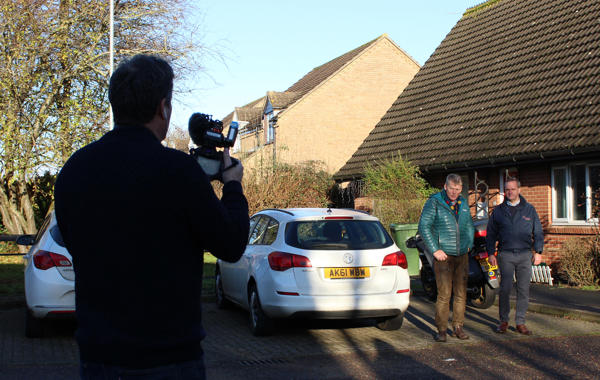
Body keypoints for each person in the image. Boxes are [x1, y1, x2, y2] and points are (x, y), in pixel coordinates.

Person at [54, 54, 249, 379]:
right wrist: (232, 187)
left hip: (98, 359)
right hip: (170, 359)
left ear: (116, 104)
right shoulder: (180, 172)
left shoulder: (74, 171)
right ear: (162, 107)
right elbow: (230, 245)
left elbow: (77, 244)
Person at [418, 174, 474, 342]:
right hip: (443, 256)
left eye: (458, 189)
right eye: (451, 189)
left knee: (461, 293)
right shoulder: (434, 202)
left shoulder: (463, 203)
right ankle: (441, 330)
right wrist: (435, 250)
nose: (454, 192)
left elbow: (469, 225)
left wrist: (469, 243)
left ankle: (458, 327)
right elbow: (424, 226)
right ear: (445, 186)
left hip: (462, 254)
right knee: (444, 294)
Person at [486, 177, 543, 335]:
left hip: (525, 254)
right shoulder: (498, 211)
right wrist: (491, 253)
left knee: (523, 289)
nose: (510, 192)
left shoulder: (529, 209)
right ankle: (503, 321)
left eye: (513, 189)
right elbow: (490, 234)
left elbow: (537, 231)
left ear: (519, 190)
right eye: (507, 189)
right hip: (505, 254)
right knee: (505, 289)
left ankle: (520, 322)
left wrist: (538, 252)